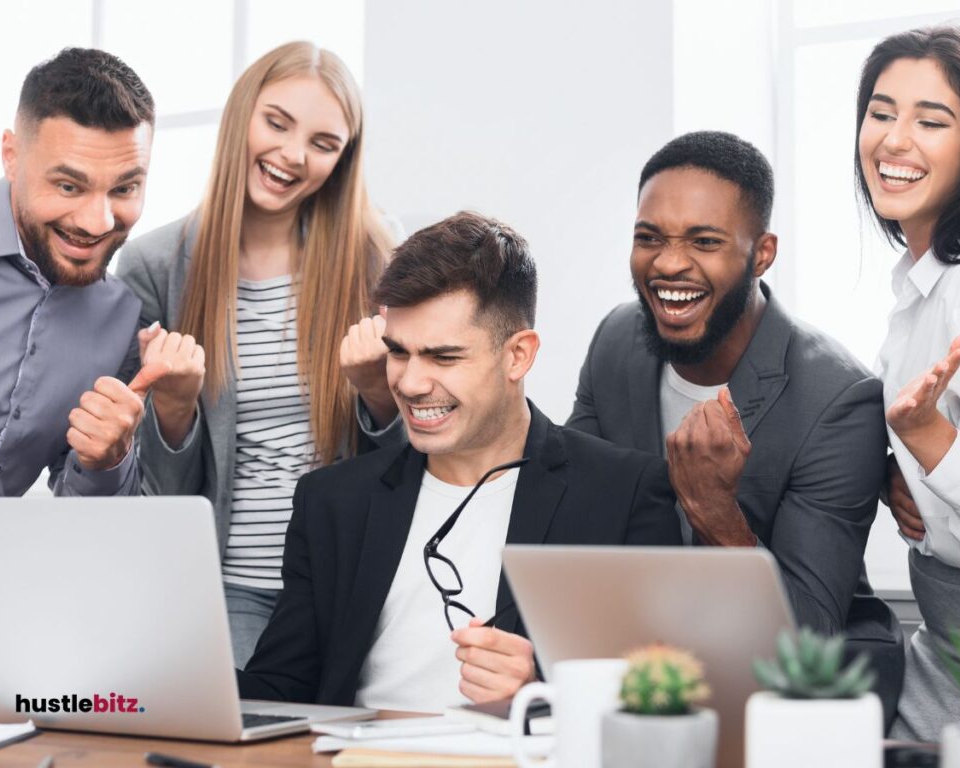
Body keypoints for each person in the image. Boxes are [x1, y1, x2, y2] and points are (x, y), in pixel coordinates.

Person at [236, 211, 682, 711]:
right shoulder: (331, 502)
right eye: (398, 352)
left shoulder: (623, 493)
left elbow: (657, 701)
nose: (408, 383)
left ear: (518, 356)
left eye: (443, 357)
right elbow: (279, 689)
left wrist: (541, 693)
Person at [567, 131, 905, 723]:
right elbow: (569, 508)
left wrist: (717, 515)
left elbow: (808, 637)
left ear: (762, 253)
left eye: (705, 241)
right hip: (646, 669)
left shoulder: (839, 399)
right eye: (649, 238)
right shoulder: (616, 342)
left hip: (794, 702)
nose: (669, 263)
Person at [117, 42, 400, 667]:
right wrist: (174, 410)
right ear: (241, 114)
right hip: (228, 590)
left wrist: (379, 392)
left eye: (324, 143)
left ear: (343, 159)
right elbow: (146, 499)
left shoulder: (379, 263)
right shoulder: (153, 269)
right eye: (276, 122)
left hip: (354, 581)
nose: (293, 155)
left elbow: (423, 460)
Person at [856, 26, 960, 742]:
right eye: (882, 112)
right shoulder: (926, 289)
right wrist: (910, 473)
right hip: (949, 639)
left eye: (931, 121)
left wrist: (931, 444)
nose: (894, 140)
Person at [0, 47, 181, 497]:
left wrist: (108, 460)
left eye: (124, 188)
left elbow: (88, 523)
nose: (97, 223)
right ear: (12, 156)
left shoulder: (120, 321)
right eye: (68, 186)